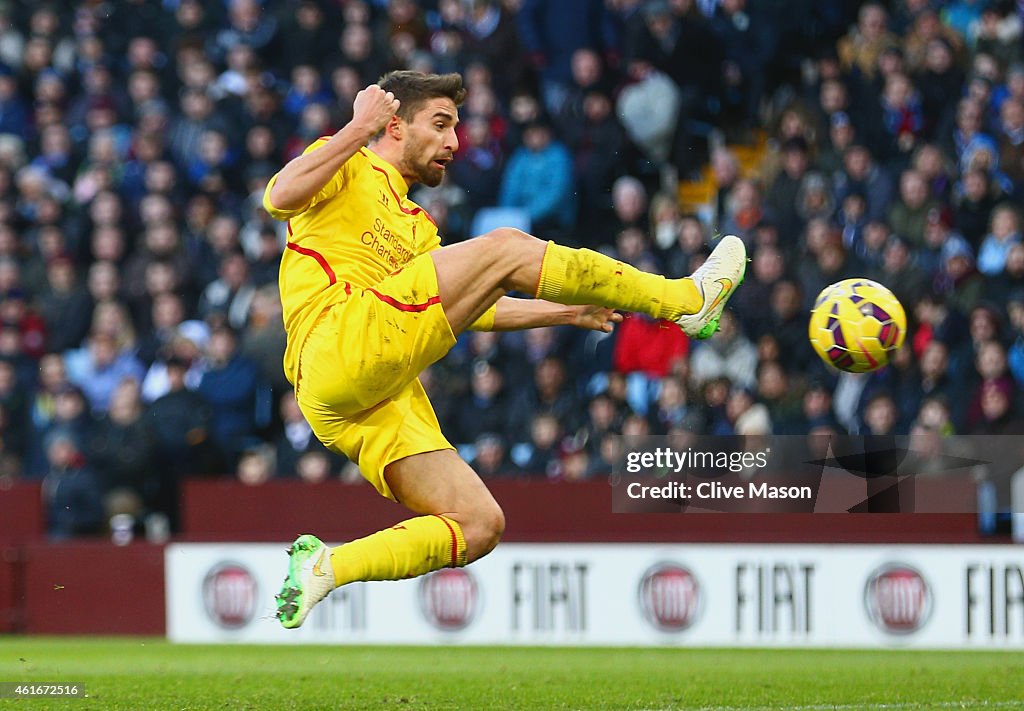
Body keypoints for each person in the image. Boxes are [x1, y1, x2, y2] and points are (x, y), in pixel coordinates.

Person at [262, 70, 746, 629]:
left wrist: (561, 312)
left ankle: (327, 567)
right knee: (507, 247)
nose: (454, 142)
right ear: (394, 126)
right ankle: (685, 299)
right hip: (338, 338)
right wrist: (356, 127)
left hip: (359, 394)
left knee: (478, 524)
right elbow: (279, 196)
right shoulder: (345, 160)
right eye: (441, 125)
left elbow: (469, 308)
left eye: (457, 128)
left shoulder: (418, 228)